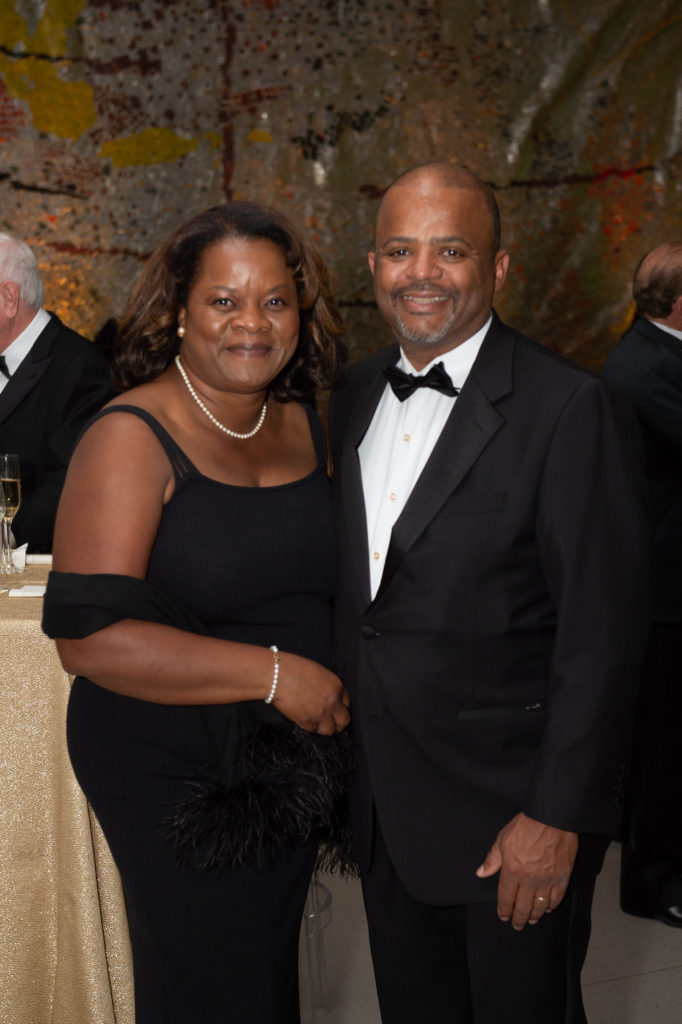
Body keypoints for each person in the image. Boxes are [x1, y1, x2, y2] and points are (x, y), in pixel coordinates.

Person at [328, 162, 650, 1023]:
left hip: (510, 820)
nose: (421, 272)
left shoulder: (571, 407)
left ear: (499, 269)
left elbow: (603, 639)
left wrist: (555, 817)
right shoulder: (353, 392)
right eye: (401, 250)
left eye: (451, 250)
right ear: (372, 266)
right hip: (387, 812)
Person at [41, 202, 351, 1024]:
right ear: (180, 312)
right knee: (210, 985)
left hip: (287, 761)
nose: (252, 322)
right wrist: (277, 676)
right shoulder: (131, 433)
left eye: (276, 300)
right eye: (224, 300)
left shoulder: (301, 423)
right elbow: (88, 640)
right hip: (169, 763)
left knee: (262, 977)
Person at [602, 241, 682, 928]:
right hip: (663, 591)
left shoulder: (660, 353)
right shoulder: (644, 367)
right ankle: (651, 884)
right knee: (663, 745)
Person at [0, 233, 113, 552]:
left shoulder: (81, 366)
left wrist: (5, 534)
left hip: (36, 572)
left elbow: (74, 484)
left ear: (9, 298)